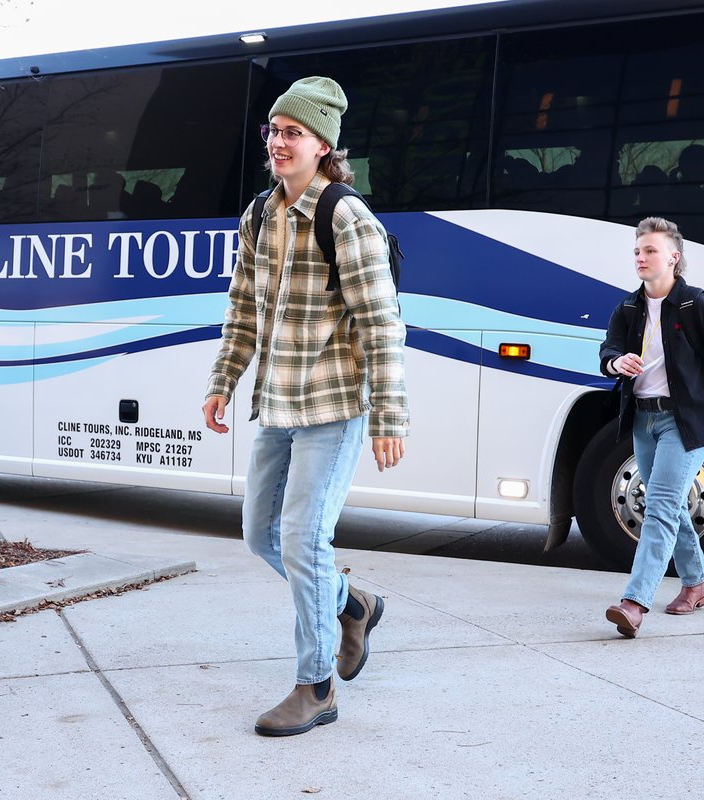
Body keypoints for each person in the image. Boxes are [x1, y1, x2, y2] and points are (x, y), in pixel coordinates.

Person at [201, 76, 409, 736]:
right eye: (273, 130)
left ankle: (315, 686)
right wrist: (222, 380)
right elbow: (241, 312)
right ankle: (353, 604)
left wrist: (389, 415)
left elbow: (382, 322)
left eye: (293, 132)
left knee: (302, 539)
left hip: (334, 405)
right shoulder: (259, 215)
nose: (279, 142)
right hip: (277, 404)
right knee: (261, 535)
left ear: (323, 145)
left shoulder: (346, 217)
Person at [598, 217, 704, 638]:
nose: (641, 258)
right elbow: (607, 349)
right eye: (637, 251)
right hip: (643, 419)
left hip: (685, 422)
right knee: (666, 505)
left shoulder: (697, 306)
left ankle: (634, 603)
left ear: (674, 257)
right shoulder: (628, 307)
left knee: (661, 506)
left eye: (650, 251)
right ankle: (696, 583)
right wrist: (616, 362)